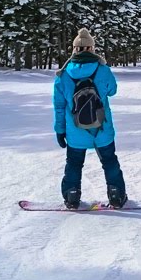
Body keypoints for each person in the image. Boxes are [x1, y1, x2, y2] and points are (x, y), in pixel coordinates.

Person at [53, 28, 127, 209]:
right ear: (92, 48)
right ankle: (116, 195)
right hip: (102, 128)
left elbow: (60, 107)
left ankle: (71, 196)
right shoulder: (102, 69)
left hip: (75, 130)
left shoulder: (63, 75)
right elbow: (112, 90)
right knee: (109, 161)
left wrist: (60, 130)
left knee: (74, 164)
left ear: (74, 49)